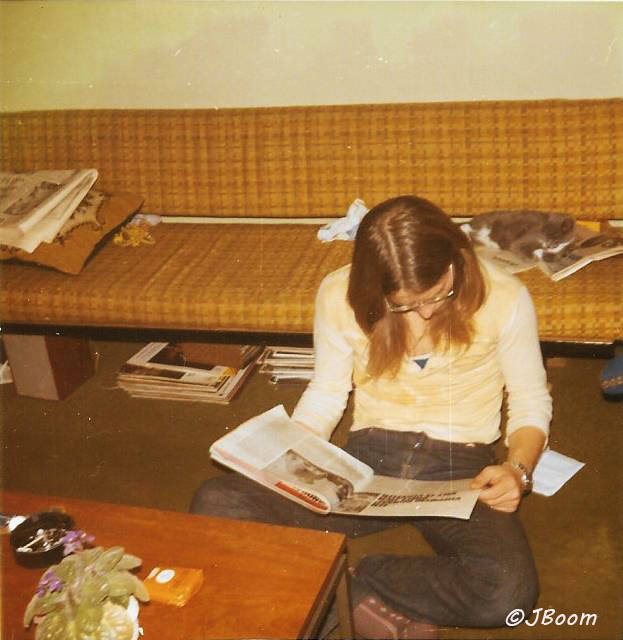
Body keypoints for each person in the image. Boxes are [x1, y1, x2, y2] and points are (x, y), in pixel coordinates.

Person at [191, 195, 552, 639]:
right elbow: (327, 392)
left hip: (461, 467)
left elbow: (530, 398)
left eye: (439, 294)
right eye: (405, 305)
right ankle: (341, 596)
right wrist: (293, 451)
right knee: (217, 501)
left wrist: (518, 470)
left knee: (507, 594)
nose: (426, 312)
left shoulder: (504, 296)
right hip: (368, 461)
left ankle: (347, 587)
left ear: (455, 258)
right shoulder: (339, 294)